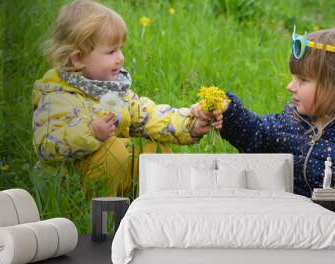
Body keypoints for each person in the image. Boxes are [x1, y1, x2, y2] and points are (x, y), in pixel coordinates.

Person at [192, 26, 335, 233]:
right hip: (293, 239)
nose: (291, 86)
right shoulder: (292, 121)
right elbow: (258, 134)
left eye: (303, 80)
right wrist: (228, 112)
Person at [32, 0, 218, 197]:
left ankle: (162, 203)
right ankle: (102, 214)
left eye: (120, 49)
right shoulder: (57, 95)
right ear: (78, 58)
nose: (120, 57)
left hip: (111, 174)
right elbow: (46, 144)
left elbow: (150, 116)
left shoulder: (113, 90)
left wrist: (191, 124)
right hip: (69, 184)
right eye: (111, 51)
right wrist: (91, 132)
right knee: (115, 151)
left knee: (156, 152)